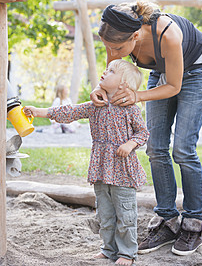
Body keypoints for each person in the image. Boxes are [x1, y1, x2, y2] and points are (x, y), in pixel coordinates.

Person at [90, 0, 202, 256]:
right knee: (156, 147)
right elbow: (113, 66)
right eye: (108, 47)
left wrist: (136, 96)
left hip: (197, 70)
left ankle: (194, 223)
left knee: (182, 148)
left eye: (116, 47)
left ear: (135, 36)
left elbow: (174, 86)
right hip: (161, 73)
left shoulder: (168, 34)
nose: (112, 53)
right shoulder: (117, 33)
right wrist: (100, 87)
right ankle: (168, 221)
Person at [23, 59, 150, 266]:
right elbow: (69, 112)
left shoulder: (130, 108)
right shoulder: (94, 106)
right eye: (107, 68)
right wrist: (39, 111)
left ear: (123, 85)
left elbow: (143, 133)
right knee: (105, 213)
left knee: (125, 213)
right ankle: (109, 249)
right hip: (101, 169)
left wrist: (130, 143)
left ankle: (127, 253)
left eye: (111, 71)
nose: (104, 71)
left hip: (123, 170)